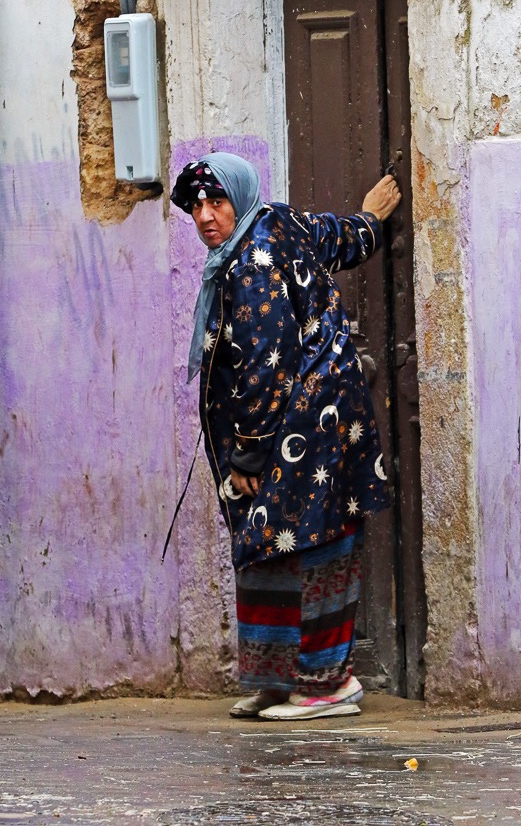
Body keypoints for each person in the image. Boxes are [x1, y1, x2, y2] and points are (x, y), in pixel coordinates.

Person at [170, 152, 401, 720]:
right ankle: (276, 678)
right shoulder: (274, 221)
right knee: (266, 542)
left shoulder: (250, 261)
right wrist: (370, 221)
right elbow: (338, 238)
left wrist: (247, 454)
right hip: (309, 425)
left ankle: (328, 683)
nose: (204, 215)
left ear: (239, 200)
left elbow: (266, 367)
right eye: (196, 204)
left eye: (216, 201)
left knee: (312, 542)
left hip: (301, 427)